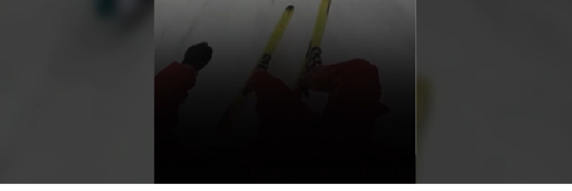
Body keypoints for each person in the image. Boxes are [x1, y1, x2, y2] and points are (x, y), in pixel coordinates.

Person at [154, 41, 414, 183]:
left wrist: (187, 69)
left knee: (264, 81)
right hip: (342, 152)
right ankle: (306, 75)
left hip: (307, 152)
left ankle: (274, 77)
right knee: (361, 71)